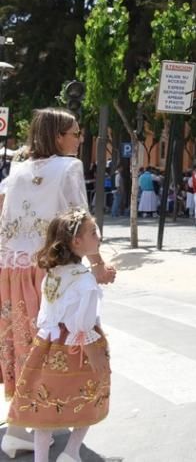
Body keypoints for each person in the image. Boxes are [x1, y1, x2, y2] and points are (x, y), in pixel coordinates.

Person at [0, 108, 115, 459]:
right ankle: (36, 427)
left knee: (25, 349)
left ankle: (18, 430)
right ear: (56, 136)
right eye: (74, 133)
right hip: (50, 270)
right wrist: (98, 263)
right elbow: (81, 220)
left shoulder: (16, 169)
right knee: (58, 350)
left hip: (10, 269)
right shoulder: (69, 167)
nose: (79, 140)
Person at [7, 207, 111, 462]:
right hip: (78, 348)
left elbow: (46, 314)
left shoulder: (52, 273)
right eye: (93, 232)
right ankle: (71, 452)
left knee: (46, 407)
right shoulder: (85, 280)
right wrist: (94, 354)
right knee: (88, 397)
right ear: (77, 242)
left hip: (48, 344)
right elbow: (84, 325)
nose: (98, 236)